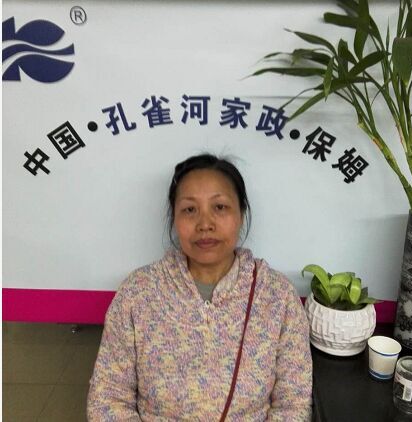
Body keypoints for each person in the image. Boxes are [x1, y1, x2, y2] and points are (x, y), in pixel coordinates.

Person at [87, 153, 313, 421]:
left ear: (241, 214)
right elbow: (108, 398)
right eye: (190, 210)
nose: (205, 224)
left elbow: (293, 403)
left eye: (220, 207)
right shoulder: (137, 292)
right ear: (174, 218)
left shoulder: (277, 295)